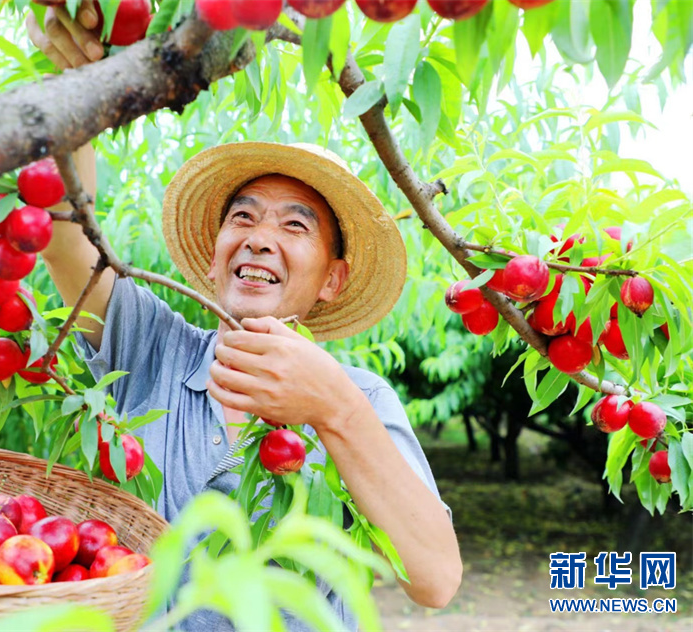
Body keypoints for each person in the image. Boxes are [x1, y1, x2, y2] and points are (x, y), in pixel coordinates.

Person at [28, 4, 462, 628]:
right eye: (243, 217)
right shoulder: (152, 348)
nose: (260, 238)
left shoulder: (360, 399)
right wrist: (75, 88)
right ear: (213, 259)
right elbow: (67, 242)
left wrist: (332, 408)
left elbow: (437, 579)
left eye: (295, 225)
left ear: (332, 280)